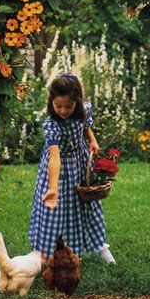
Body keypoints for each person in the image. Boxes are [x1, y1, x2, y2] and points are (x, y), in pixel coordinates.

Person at [28, 73, 115, 264]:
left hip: (80, 162)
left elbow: (85, 126)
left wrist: (92, 140)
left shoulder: (83, 110)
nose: (63, 111)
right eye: (58, 106)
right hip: (57, 168)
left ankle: (101, 246)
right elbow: (55, 159)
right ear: (51, 101)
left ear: (77, 102)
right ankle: (46, 252)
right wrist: (52, 188)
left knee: (87, 205)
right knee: (55, 210)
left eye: (68, 106)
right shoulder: (52, 125)